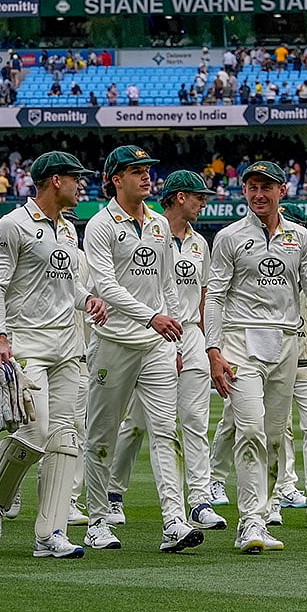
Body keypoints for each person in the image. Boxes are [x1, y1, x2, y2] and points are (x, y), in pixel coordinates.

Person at [0, 151, 108, 559]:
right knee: (34, 435)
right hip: (27, 342)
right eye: (75, 178)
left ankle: (50, 535)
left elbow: (68, 288)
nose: (80, 185)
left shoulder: (69, 231)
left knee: (65, 440)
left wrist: (89, 300)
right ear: (54, 181)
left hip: (68, 345)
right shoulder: (12, 225)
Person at [205, 161, 307, 553]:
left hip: (287, 341)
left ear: (282, 191)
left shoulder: (301, 238)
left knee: (275, 438)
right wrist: (213, 350)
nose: (259, 194)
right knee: (250, 430)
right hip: (241, 340)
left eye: (266, 187)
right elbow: (214, 296)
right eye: (252, 186)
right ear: (243, 191)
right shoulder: (228, 237)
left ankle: (264, 513)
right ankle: (250, 523)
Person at [82, 145, 203, 553]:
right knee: (101, 435)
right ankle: (97, 521)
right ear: (117, 179)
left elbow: (168, 284)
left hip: (155, 347)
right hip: (113, 343)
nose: (147, 176)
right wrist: (151, 317)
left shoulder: (158, 225)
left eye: (148, 169)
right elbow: (106, 288)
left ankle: (174, 520)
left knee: (165, 432)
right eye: (136, 171)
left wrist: (174, 332)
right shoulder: (100, 225)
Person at [106, 170, 228, 532]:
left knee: (193, 421)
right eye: (197, 197)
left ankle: (200, 501)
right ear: (178, 197)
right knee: (137, 424)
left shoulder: (199, 244)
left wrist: (211, 347)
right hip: (151, 334)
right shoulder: (152, 232)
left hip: (189, 334)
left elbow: (205, 297)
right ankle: (113, 494)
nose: (202, 203)